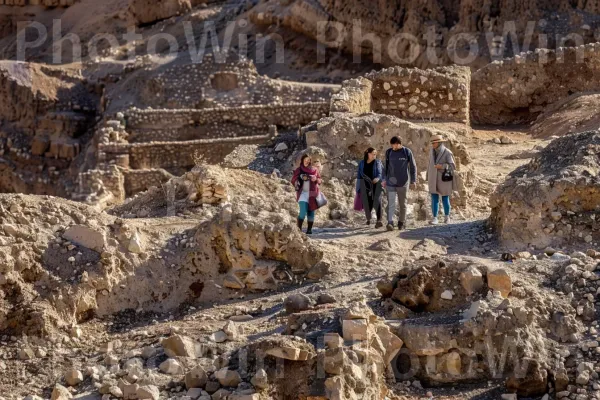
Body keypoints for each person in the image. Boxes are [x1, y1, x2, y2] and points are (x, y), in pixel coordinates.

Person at [383, 136, 417, 231]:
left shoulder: (407, 152)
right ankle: (390, 223)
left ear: (399, 144)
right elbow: (385, 167)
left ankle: (401, 223)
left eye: (394, 145)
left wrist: (413, 180)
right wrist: (384, 179)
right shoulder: (389, 152)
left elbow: (413, 167)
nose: (393, 147)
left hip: (403, 182)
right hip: (390, 183)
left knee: (403, 204)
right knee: (391, 204)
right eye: (392, 145)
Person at [427, 134, 457, 225]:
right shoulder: (431, 152)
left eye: (434, 143)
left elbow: (453, 166)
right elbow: (429, 165)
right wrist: (428, 176)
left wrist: (442, 166)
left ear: (439, 143)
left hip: (444, 179)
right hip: (433, 178)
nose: (432, 145)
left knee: (445, 198)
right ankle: (435, 218)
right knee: (434, 198)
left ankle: (447, 217)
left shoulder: (447, 152)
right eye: (432, 143)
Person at [291, 154, 322, 235]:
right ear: (302, 161)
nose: (307, 162)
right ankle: (299, 229)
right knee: (303, 212)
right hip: (303, 193)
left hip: (312, 193)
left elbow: (319, 180)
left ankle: (309, 229)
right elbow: (293, 180)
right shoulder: (299, 170)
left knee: (311, 211)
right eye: (305, 160)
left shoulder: (315, 170)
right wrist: (300, 177)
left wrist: (316, 179)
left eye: (308, 161)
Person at [356, 148, 384, 228]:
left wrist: (378, 178)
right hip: (365, 185)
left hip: (376, 184)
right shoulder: (362, 163)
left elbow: (380, 173)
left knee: (377, 200)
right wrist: (358, 188)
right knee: (367, 202)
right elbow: (359, 176)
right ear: (368, 153)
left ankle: (379, 220)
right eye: (373, 153)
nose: (374, 155)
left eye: (375, 154)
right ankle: (368, 218)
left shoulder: (377, 162)